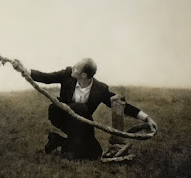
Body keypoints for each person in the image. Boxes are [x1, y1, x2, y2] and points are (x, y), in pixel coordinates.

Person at [13, 58, 158, 160]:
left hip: (81, 123)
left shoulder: (100, 89)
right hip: (60, 115)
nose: (72, 67)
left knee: (95, 153)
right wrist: (24, 70)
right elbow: (46, 77)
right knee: (81, 108)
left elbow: (123, 106)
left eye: (76, 67)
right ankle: (69, 147)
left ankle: (58, 141)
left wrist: (146, 118)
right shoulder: (67, 74)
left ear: (84, 75)